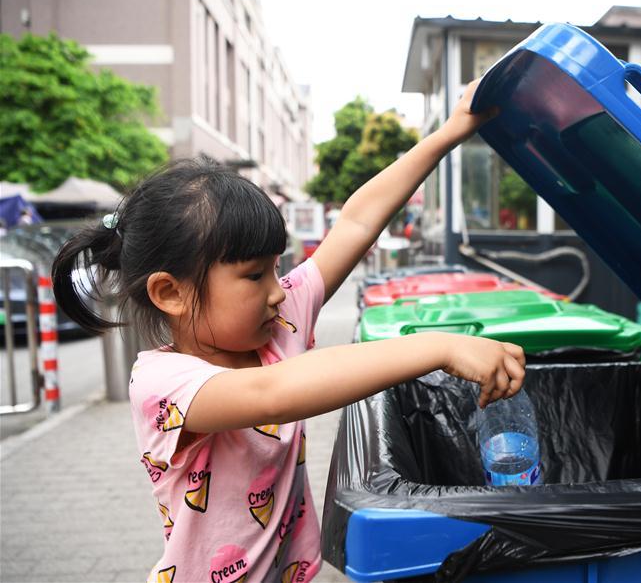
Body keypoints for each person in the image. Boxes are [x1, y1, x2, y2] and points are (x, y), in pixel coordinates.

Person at [50, 79, 522, 582]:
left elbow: (358, 222)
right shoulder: (162, 385)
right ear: (171, 293)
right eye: (254, 275)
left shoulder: (276, 322)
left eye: (278, 269)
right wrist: (439, 346)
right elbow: (273, 394)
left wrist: (450, 132)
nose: (278, 290)